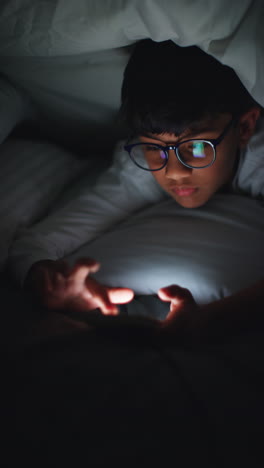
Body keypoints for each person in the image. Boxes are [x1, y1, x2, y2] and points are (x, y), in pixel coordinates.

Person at [8, 39, 263, 337]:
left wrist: (208, 318)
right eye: (155, 147)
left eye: (195, 147)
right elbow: (35, 244)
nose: (174, 172)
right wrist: (48, 281)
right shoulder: (139, 168)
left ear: (245, 128)